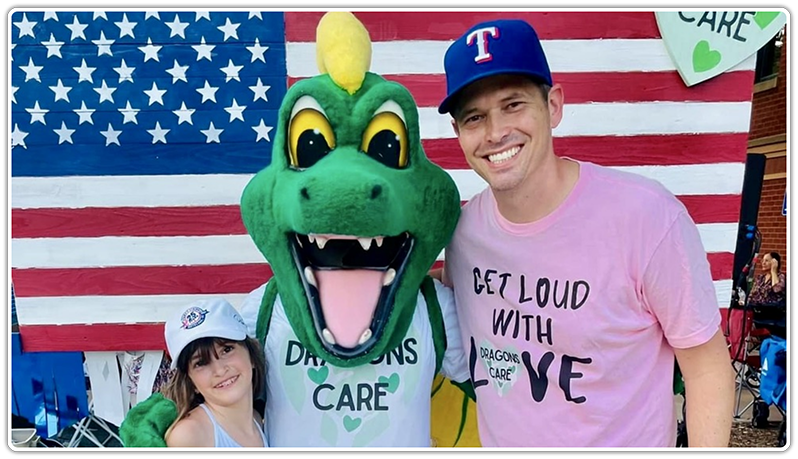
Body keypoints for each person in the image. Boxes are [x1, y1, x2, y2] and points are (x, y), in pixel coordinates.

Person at [432, 18, 734, 447]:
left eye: (513, 104)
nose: (496, 132)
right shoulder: (463, 234)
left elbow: (706, 368)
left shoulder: (647, 218)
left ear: (553, 105)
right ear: (458, 133)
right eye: (474, 117)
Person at [161, 298, 269, 447]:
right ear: (191, 382)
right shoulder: (190, 435)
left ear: (251, 355)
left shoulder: (258, 420)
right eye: (201, 363)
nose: (220, 370)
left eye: (227, 350)